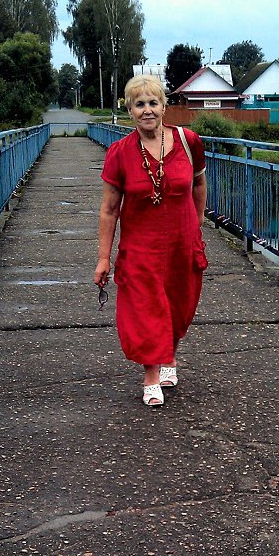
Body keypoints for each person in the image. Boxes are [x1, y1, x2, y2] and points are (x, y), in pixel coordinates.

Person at [94, 75, 207, 407]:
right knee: (146, 308)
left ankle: (169, 355)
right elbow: (109, 209)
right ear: (130, 110)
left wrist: (197, 223)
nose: (147, 110)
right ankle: (151, 376)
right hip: (141, 246)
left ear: (163, 107)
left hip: (182, 242)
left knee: (179, 304)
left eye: (153, 103)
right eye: (139, 104)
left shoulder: (188, 141)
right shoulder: (119, 153)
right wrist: (103, 258)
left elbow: (199, 185)